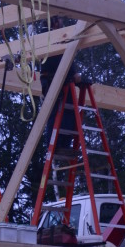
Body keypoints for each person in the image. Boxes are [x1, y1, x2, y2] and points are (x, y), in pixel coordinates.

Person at [39, 15, 81, 152]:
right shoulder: (47, 36)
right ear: (55, 23)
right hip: (52, 79)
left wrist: (72, 73)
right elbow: (58, 59)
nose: (63, 23)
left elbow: (64, 56)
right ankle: (55, 145)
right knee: (55, 112)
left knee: (67, 111)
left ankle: (63, 144)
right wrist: (73, 73)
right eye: (60, 21)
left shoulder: (56, 36)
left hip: (61, 79)